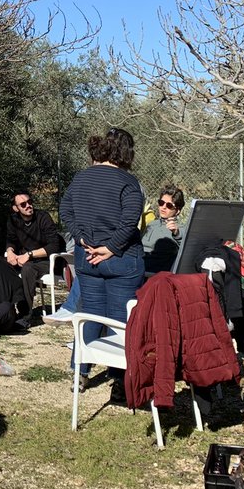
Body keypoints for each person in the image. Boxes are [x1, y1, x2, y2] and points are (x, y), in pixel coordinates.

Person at [59, 127, 145, 397]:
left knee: (90, 315)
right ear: (126, 152)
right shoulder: (128, 182)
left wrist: (82, 239)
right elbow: (131, 219)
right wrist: (111, 247)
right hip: (122, 262)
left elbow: (65, 210)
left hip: (87, 259)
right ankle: (119, 380)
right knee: (122, 320)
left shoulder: (81, 178)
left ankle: (80, 373)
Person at [4, 190, 62, 321]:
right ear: (16, 208)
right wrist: (10, 252)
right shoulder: (14, 221)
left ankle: (25, 315)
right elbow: (11, 240)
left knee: (28, 269)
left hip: (49, 261)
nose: (28, 206)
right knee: (2, 265)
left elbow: (54, 246)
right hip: (27, 260)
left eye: (30, 202)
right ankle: (5, 310)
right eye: (23, 204)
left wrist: (29, 255)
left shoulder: (43, 217)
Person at [142, 185, 186, 274]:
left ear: (177, 210)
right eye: (161, 202)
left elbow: (185, 247)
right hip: (139, 264)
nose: (163, 207)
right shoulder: (152, 224)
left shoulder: (180, 229)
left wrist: (176, 233)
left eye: (169, 205)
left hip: (155, 272)